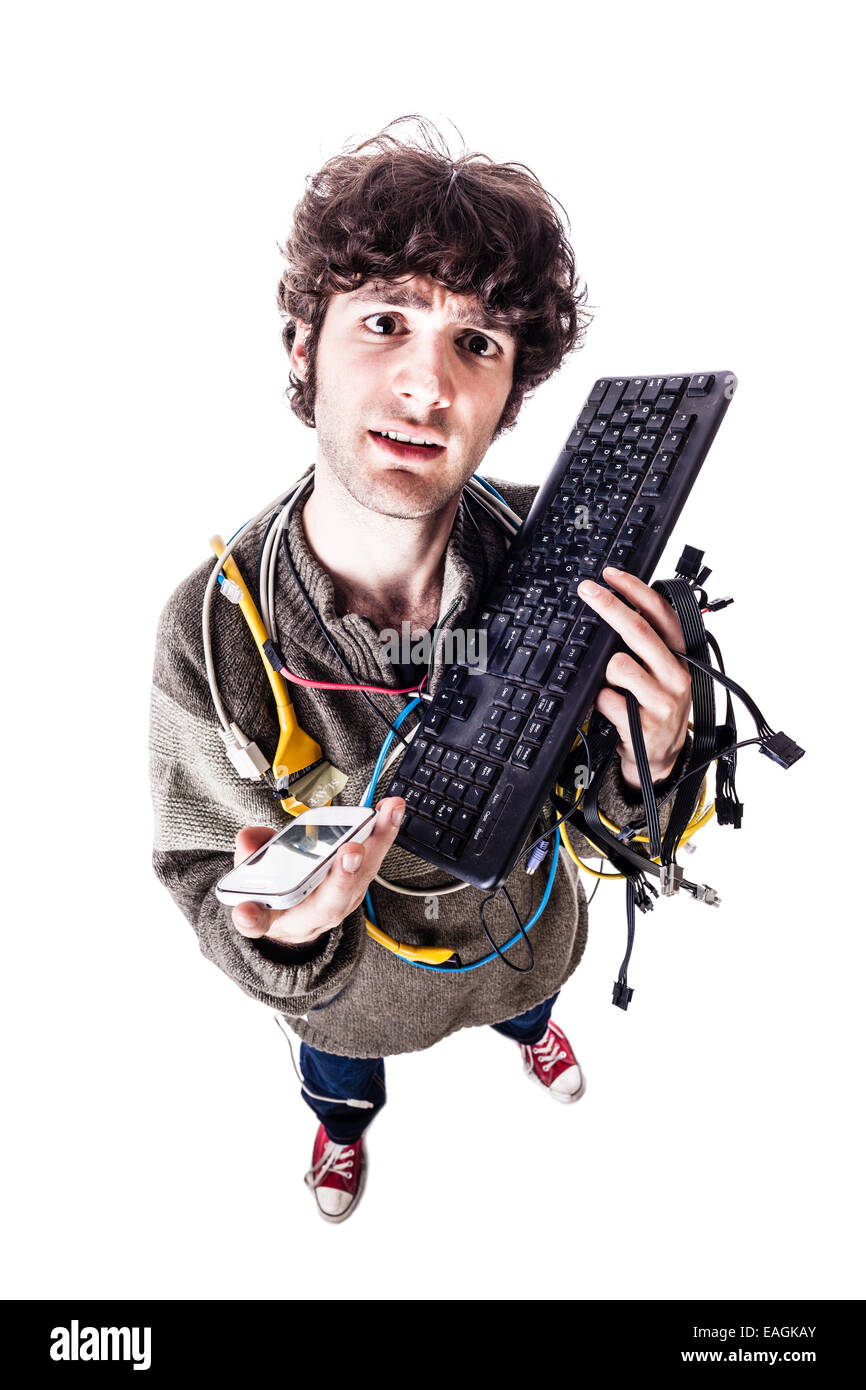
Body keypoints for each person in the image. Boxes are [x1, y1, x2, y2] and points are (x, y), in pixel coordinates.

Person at [149, 120, 694, 1223]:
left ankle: (533, 1034)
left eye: (476, 344)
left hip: (522, 936)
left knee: (528, 998)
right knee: (340, 1080)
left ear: (509, 392)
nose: (426, 385)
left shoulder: (564, 561)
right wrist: (283, 931)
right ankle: (341, 1134)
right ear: (302, 345)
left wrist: (657, 754)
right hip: (353, 998)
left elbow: (613, 819)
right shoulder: (211, 630)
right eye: (384, 321)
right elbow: (206, 868)